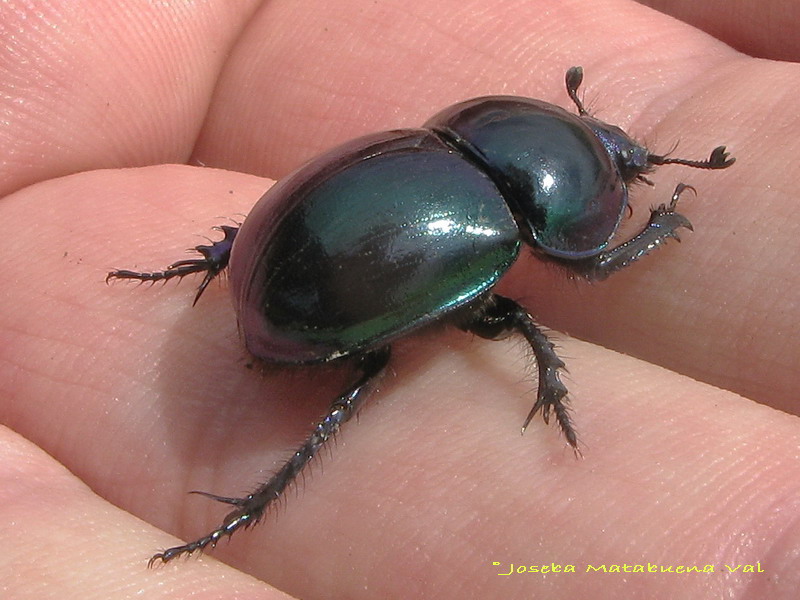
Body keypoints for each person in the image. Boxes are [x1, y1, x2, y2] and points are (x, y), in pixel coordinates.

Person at [0, 1, 797, 598]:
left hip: (272, 274)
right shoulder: (494, 227)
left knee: (398, 355)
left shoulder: (421, 145)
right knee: (366, 381)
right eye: (613, 167)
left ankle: (211, 307)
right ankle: (254, 503)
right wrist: (653, 232)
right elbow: (588, 270)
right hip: (307, 315)